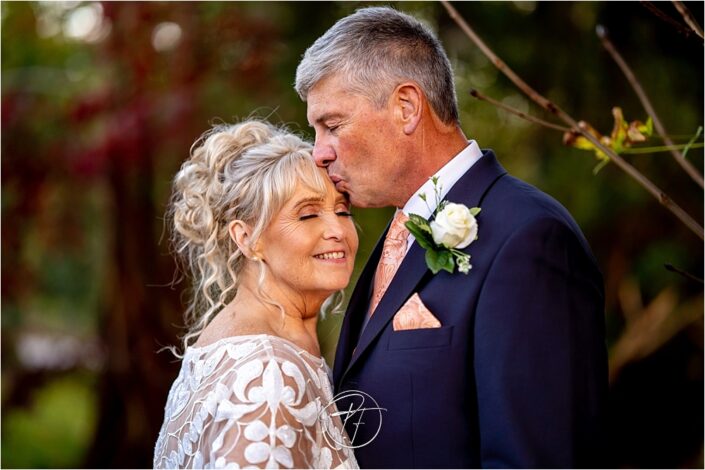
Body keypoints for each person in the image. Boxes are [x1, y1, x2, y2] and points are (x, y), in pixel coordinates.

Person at [295, 6, 608, 468]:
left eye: (333, 125)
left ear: (406, 106)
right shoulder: (397, 233)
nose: (319, 152)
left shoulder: (530, 238)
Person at [153, 120, 360, 469]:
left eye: (342, 210)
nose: (337, 229)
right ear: (247, 238)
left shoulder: (246, 345)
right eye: (308, 214)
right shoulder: (269, 373)